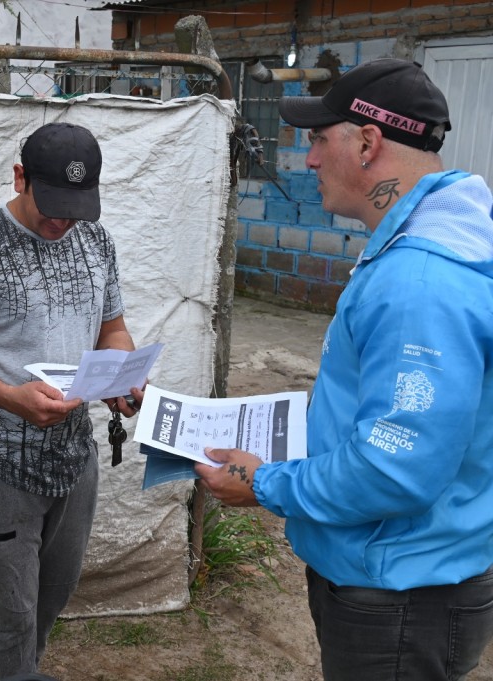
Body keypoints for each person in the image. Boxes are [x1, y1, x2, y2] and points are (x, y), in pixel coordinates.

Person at [195, 58, 493, 680]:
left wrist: (265, 483)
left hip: (398, 594)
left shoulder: (420, 281)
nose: (307, 160)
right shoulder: (426, 248)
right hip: (408, 576)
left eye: (317, 139)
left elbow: (394, 466)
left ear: (368, 142)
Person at [0, 122, 142, 680]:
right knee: (13, 606)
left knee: (57, 588)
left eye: (75, 208)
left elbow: (113, 329)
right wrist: (8, 398)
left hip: (74, 451)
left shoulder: (96, 241)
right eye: (51, 205)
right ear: (19, 177)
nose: (61, 221)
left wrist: (121, 372)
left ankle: (24, 670)